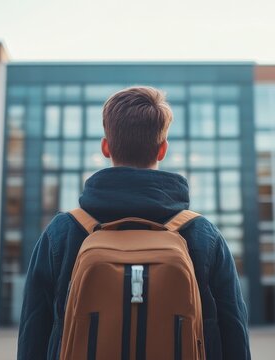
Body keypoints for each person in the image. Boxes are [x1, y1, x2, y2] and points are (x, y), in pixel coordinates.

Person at [17, 86, 251, 360]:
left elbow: (32, 335)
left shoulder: (63, 233)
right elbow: (235, 334)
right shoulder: (202, 235)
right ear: (162, 149)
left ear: (106, 147)